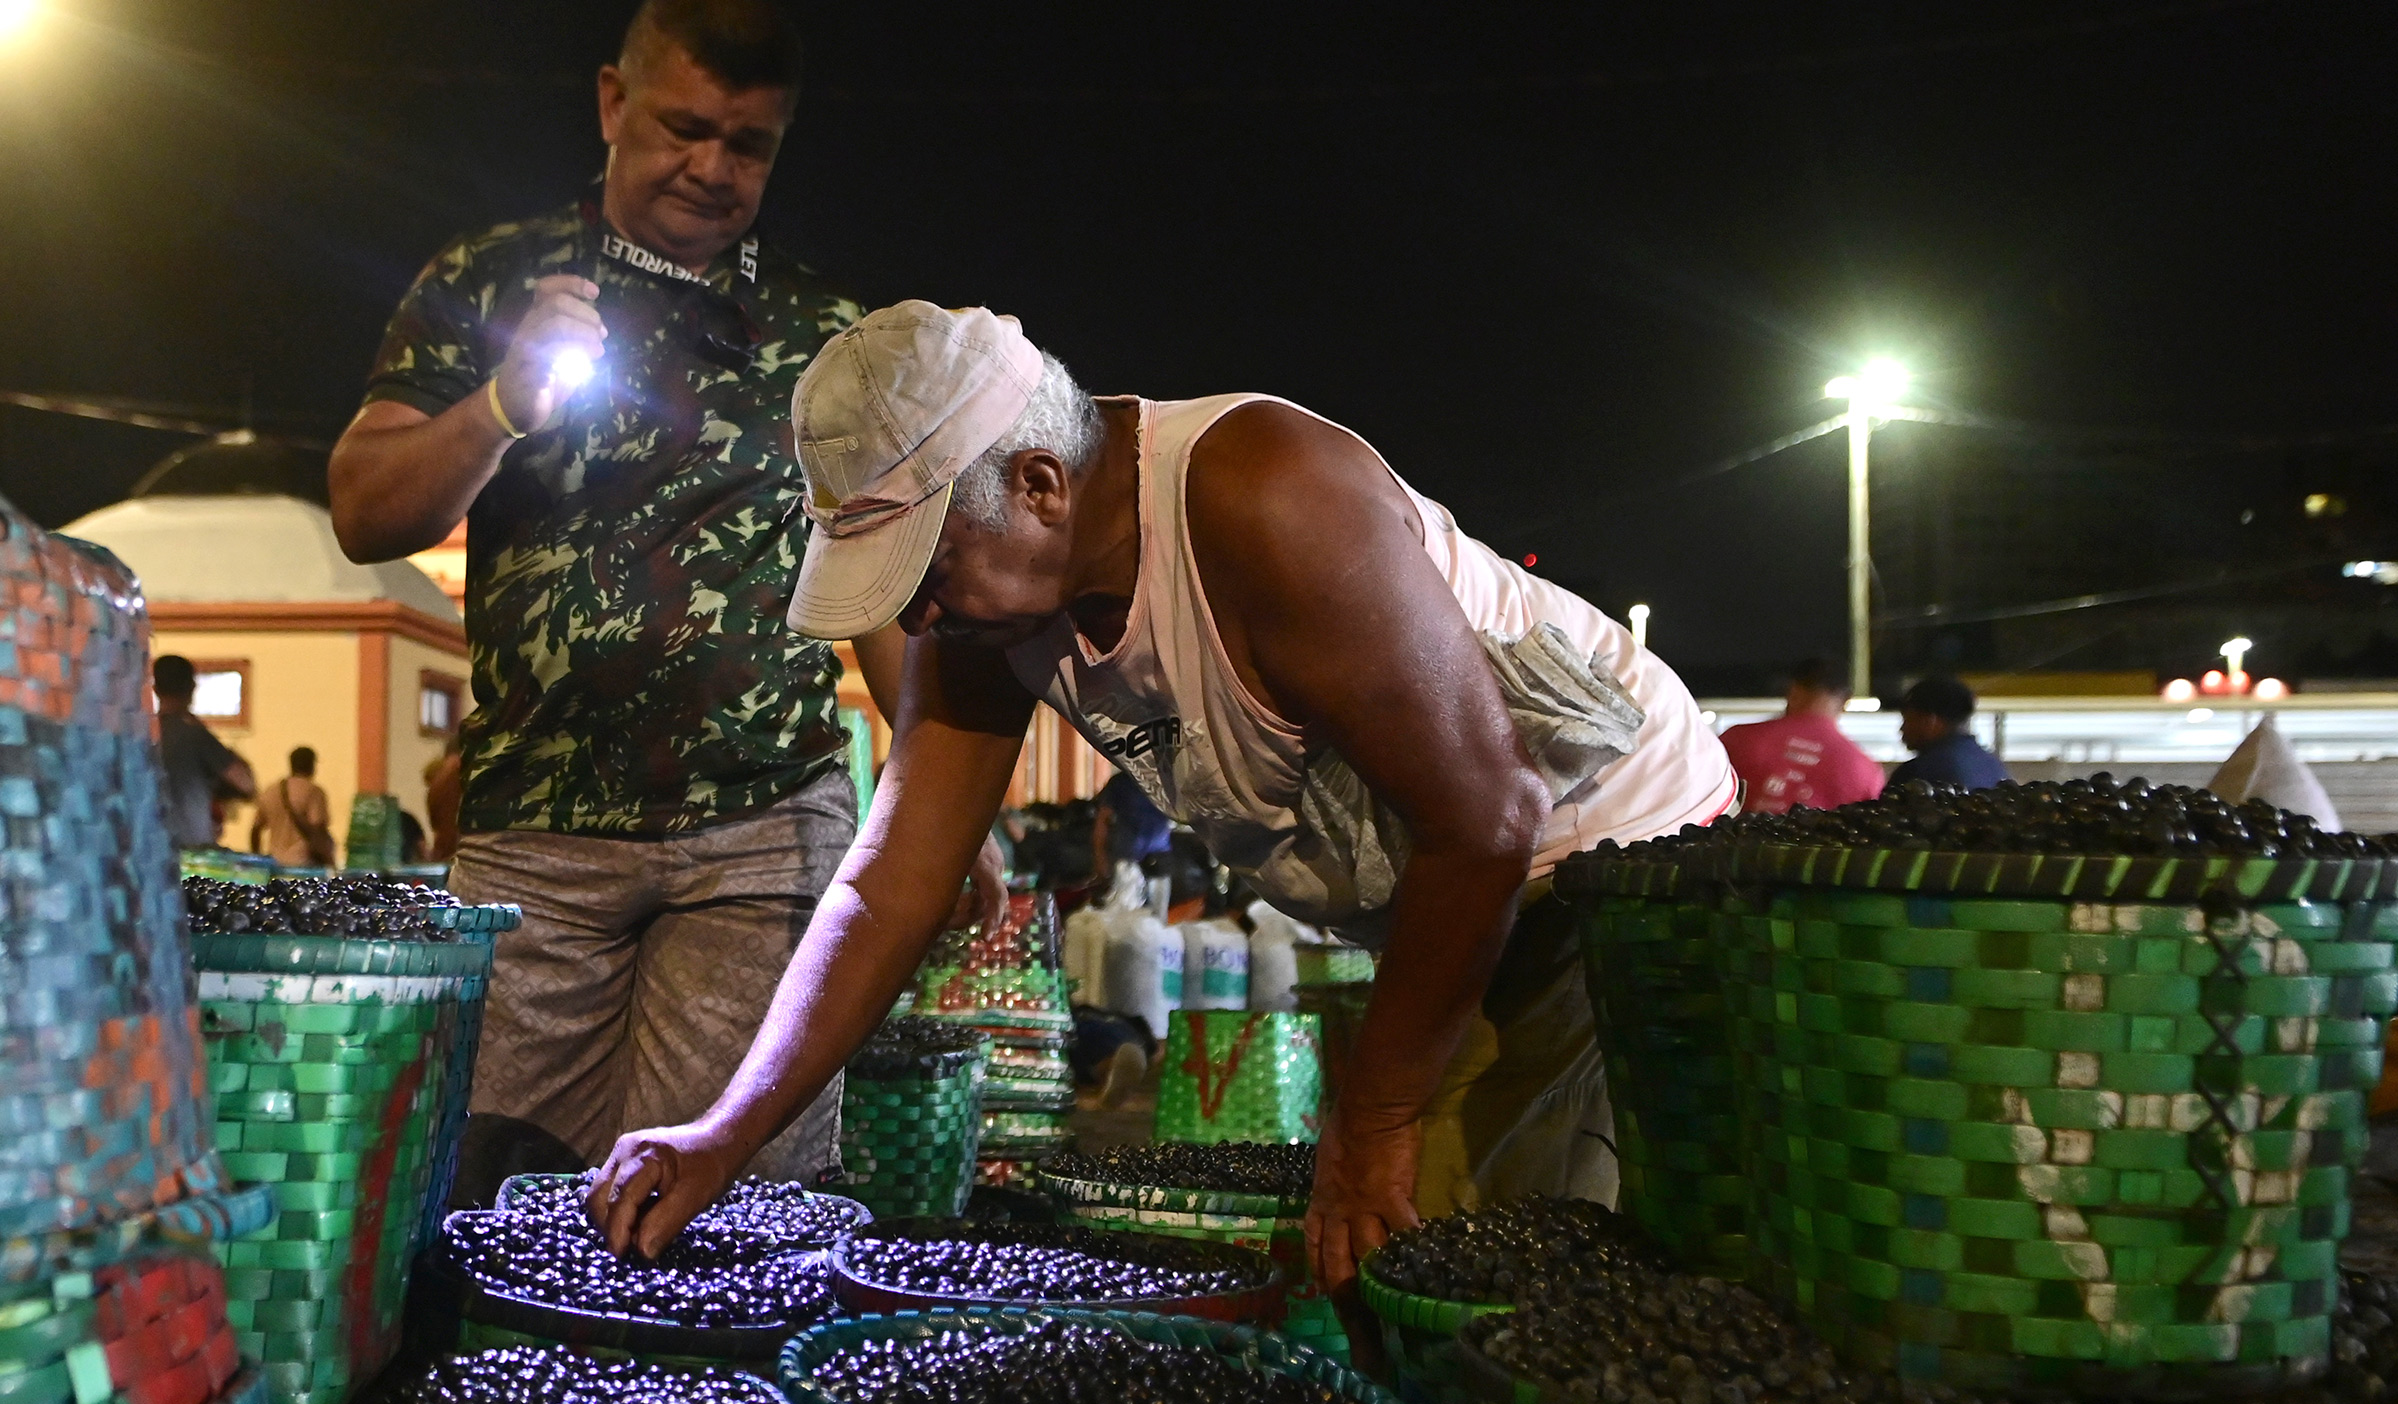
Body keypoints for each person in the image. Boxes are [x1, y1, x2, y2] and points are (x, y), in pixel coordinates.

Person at [587, 302, 1739, 1292]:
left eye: (926, 573)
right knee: (1388, 1253)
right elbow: (889, 885)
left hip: (1603, 857)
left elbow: (1486, 821)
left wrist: (1373, 1120)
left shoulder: (1265, 498)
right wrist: (724, 1130)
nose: (915, 619)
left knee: (1455, 1264)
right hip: (1453, 883)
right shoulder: (987, 622)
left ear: (1039, 482)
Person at [324, 0, 995, 1199]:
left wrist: (935, 806)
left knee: (723, 1213)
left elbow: (886, 595)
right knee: (498, 1199)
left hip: (763, 826)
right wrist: (502, 403)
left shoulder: (830, 338)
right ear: (610, 103)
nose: (711, 167)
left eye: (749, 145)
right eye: (685, 127)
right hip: (539, 834)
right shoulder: (489, 282)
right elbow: (370, 509)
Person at [1718, 656, 1885, 815]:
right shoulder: (1865, 771)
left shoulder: (1737, 740)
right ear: (1846, 702)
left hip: (1736, 843)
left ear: (1793, 690)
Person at [153, 654, 254, 849]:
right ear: (191, 688)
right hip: (191, 849)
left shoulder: (137, 737)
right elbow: (245, 784)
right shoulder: (195, 736)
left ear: (155, 689)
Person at [1894, 675, 2011, 790]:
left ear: (1930, 721)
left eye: (1907, 720)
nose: (1902, 729)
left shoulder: (1919, 774)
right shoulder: (1993, 767)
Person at [252, 747, 337, 867]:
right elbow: (318, 825)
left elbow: (255, 829)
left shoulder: (271, 791)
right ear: (311, 765)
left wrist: (257, 859)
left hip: (275, 864)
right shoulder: (314, 791)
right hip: (304, 864)